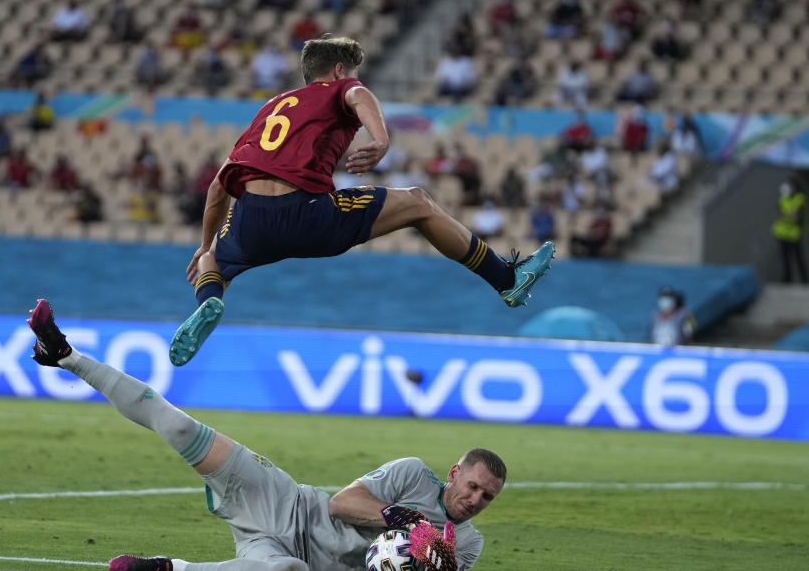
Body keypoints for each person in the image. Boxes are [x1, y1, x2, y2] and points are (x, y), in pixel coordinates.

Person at [27, 299, 507, 571]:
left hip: (295, 560)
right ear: (453, 473)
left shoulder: (466, 543)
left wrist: (436, 570)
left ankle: (170, 568)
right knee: (181, 428)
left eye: (487, 497)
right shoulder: (412, 475)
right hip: (286, 502)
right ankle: (67, 355)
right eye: (473, 487)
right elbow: (342, 505)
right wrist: (398, 518)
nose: (475, 501)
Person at [170, 36, 554, 367]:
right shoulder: (341, 89)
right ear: (339, 71)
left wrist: (205, 247)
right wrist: (381, 140)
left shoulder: (268, 109)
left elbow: (219, 186)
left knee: (213, 259)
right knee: (419, 202)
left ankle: (208, 301)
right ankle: (506, 280)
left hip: (251, 220)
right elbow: (358, 96)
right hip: (307, 214)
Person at [773, 181, 808, 284]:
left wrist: (789, 215)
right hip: (782, 234)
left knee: (799, 259)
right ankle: (787, 280)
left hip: (794, 234)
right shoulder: (783, 199)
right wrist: (789, 215)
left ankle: (804, 280)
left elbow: (797, 217)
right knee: (785, 260)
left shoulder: (800, 199)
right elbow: (780, 213)